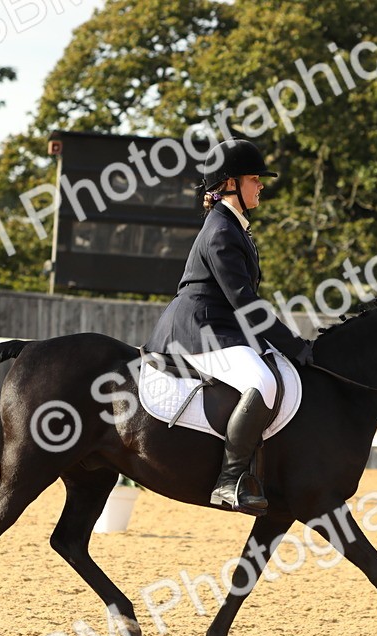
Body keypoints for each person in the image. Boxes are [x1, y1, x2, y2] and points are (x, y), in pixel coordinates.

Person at [144, 139, 314, 516]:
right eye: (254, 178)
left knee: (271, 368)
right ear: (230, 184)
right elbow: (245, 302)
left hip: (221, 328)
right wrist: (293, 342)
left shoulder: (235, 227)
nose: (261, 185)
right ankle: (229, 479)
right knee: (262, 382)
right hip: (199, 330)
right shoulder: (221, 230)